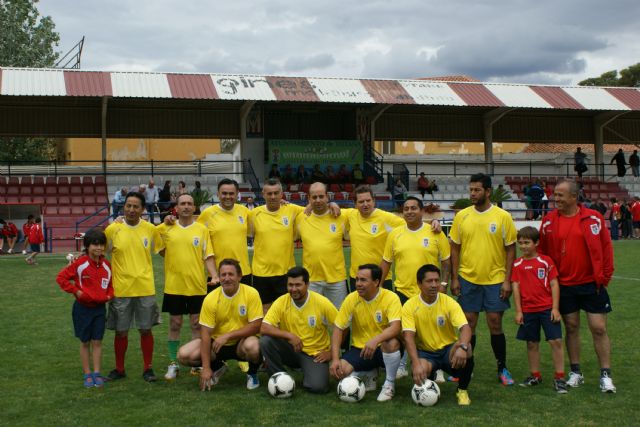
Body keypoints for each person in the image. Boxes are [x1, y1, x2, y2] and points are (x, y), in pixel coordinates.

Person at [538, 178, 616, 393]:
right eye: (556, 194)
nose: (556, 198)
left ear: (574, 197)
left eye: (561, 195)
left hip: (592, 285)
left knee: (599, 328)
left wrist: (604, 277)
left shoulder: (594, 218)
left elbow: (606, 249)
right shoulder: (549, 221)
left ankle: (606, 375)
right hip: (564, 287)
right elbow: (543, 254)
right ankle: (575, 372)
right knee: (571, 328)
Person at [450, 173, 517, 386]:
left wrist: (507, 280)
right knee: (469, 324)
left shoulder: (502, 216)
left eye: (477, 190)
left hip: (495, 279)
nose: (472, 193)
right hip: (468, 278)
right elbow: (455, 248)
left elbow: (510, 249)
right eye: (471, 190)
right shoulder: (462, 216)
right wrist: (454, 278)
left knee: (495, 323)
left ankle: (502, 367)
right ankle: (466, 368)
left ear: (488, 192)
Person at [156, 194, 218, 380]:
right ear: (176, 207)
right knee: (175, 324)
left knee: (196, 324)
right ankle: (173, 363)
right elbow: (160, 250)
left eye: (189, 204)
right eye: (182, 203)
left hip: (197, 286)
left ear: (194, 207)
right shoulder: (165, 228)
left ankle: (196, 363)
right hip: (174, 286)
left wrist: (214, 274)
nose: (186, 207)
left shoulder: (201, 230)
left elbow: (208, 256)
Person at [176, 259, 263, 391]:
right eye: (223, 275)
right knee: (184, 354)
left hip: (241, 343)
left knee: (254, 346)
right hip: (216, 345)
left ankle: (252, 373)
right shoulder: (210, 299)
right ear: (219, 277)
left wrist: (228, 336)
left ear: (239, 276)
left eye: (231, 274)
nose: (227, 278)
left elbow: (256, 326)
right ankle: (217, 367)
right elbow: (205, 334)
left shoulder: (251, 293)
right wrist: (206, 368)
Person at [105, 191, 165, 382]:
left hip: (145, 288)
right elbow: (99, 252)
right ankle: (119, 369)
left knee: (146, 329)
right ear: (123, 207)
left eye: (135, 206)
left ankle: (148, 369)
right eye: (128, 206)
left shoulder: (150, 229)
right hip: (121, 289)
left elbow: (164, 252)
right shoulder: (112, 230)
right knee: (121, 331)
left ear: (142, 209)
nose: (131, 210)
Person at [402, 264, 474, 406]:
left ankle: (462, 390)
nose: (434, 285)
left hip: (448, 350)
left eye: (437, 280)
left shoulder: (448, 302)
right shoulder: (410, 306)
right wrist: (415, 364)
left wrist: (463, 347)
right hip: (426, 353)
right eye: (429, 281)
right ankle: (429, 381)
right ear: (419, 284)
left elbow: (465, 328)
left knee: (468, 349)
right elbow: (408, 337)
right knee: (420, 371)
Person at [330, 264, 403, 402]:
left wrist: (376, 340)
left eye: (363, 280)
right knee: (338, 373)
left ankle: (389, 384)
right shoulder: (351, 298)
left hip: (383, 347)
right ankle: (369, 373)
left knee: (391, 343)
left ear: (376, 282)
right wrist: (334, 359)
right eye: (357, 279)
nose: (358, 284)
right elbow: (338, 328)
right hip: (361, 348)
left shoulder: (390, 297)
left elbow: (395, 327)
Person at [260, 266, 337, 393]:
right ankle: (279, 379)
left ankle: (309, 370)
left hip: (314, 354)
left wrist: (331, 353)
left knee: (318, 388)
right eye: (290, 285)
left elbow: (341, 327)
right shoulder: (282, 301)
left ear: (307, 284)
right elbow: (264, 327)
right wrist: (289, 336)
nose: (293, 289)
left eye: (298, 285)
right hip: (291, 349)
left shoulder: (321, 302)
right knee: (266, 341)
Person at [511, 227, 566, 393]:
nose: (523, 246)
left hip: (547, 309)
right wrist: (519, 311)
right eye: (520, 243)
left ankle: (560, 378)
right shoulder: (517, 264)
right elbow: (516, 287)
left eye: (527, 242)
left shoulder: (546, 261)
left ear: (536, 243)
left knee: (555, 341)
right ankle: (535, 375)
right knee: (532, 343)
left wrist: (555, 308)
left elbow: (554, 284)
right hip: (528, 310)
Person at [56, 228, 114, 388]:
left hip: (100, 310)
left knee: (97, 341)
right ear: (87, 246)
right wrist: (77, 291)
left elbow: (111, 285)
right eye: (95, 245)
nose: (99, 248)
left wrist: (109, 296)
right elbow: (61, 278)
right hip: (82, 309)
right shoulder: (80, 263)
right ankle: (87, 374)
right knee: (85, 342)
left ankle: (97, 373)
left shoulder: (107, 265)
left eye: (102, 245)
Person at [381, 196, 451, 305]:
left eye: (413, 208)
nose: (409, 211)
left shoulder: (435, 232)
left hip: (430, 292)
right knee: (405, 322)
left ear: (422, 211)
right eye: (406, 209)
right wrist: (379, 285)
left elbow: (446, 261)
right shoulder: (394, 234)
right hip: (403, 292)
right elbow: (386, 262)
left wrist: (444, 284)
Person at [250, 179, 306, 313]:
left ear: (282, 194)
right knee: (265, 310)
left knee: (287, 310)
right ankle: (268, 335)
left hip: (285, 273)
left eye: (276, 193)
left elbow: (312, 210)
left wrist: (332, 204)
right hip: (261, 273)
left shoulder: (292, 210)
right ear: (263, 194)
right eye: (269, 194)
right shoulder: (253, 214)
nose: (273, 197)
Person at [295, 182, 348, 309]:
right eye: (314, 197)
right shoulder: (301, 217)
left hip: (336, 280)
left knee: (339, 321)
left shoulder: (341, 215)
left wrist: (333, 204)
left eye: (321, 196)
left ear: (327, 197)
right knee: (313, 320)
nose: (318, 200)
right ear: (309, 199)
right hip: (311, 280)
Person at [344, 185, 405, 292]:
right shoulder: (351, 215)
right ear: (355, 204)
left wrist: (433, 222)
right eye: (361, 201)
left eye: (368, 200)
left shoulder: (386, 217)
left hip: (381, 277)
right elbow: (329, 210)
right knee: (358, 309)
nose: (365, 204)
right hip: (357, 277)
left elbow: (412, 225)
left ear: (374, 201)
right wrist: (332, 204)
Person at [197, 179, 252, 285]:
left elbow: (264, 219)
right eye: (224, 193)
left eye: (231, 193)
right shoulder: (207, 214)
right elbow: (194, 233)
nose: (228, 196)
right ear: (218, 194)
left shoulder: (245, 212)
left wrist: (281, 204)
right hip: (218, 275)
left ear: (237, 195)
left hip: (243, 272)